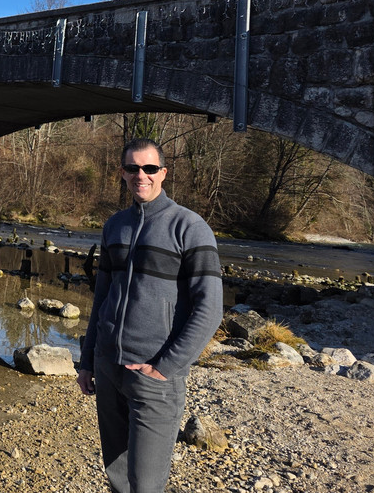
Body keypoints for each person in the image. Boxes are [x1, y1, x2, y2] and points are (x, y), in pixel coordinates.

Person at [77, 138, 222, 493]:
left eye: (149, 168)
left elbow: (210, 309)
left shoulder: (189, 227)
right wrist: (87, 360)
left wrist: (165, 367)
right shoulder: (115, 226)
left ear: (163, 173)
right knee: (117, 478)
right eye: (132, 168)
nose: (140, 175)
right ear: (123, 173)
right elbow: (102, 299)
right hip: (108, 368)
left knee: (146, 484)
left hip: (153, 375)